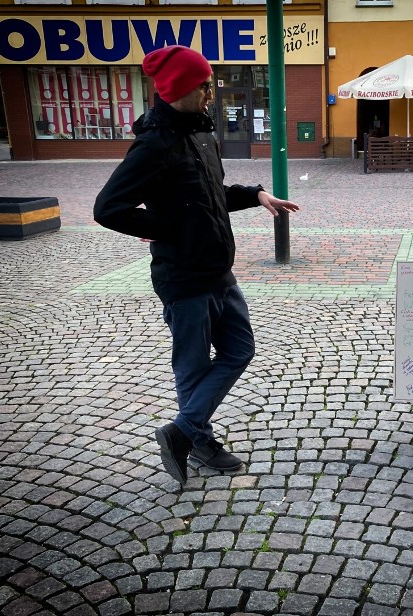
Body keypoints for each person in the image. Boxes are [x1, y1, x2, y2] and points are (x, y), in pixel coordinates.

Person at [94, 45, 300, 487]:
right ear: (181, 87)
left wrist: (254, 194)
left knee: (240, 350)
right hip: (182, 278)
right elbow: (108, 207)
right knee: (191, 365)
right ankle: (200, 440)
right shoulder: (154, 144)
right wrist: (166, 227)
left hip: (218, 271)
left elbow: (212, 193)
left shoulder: (202, 134)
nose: (212, 91)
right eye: (205, 84)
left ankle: (182, 431)